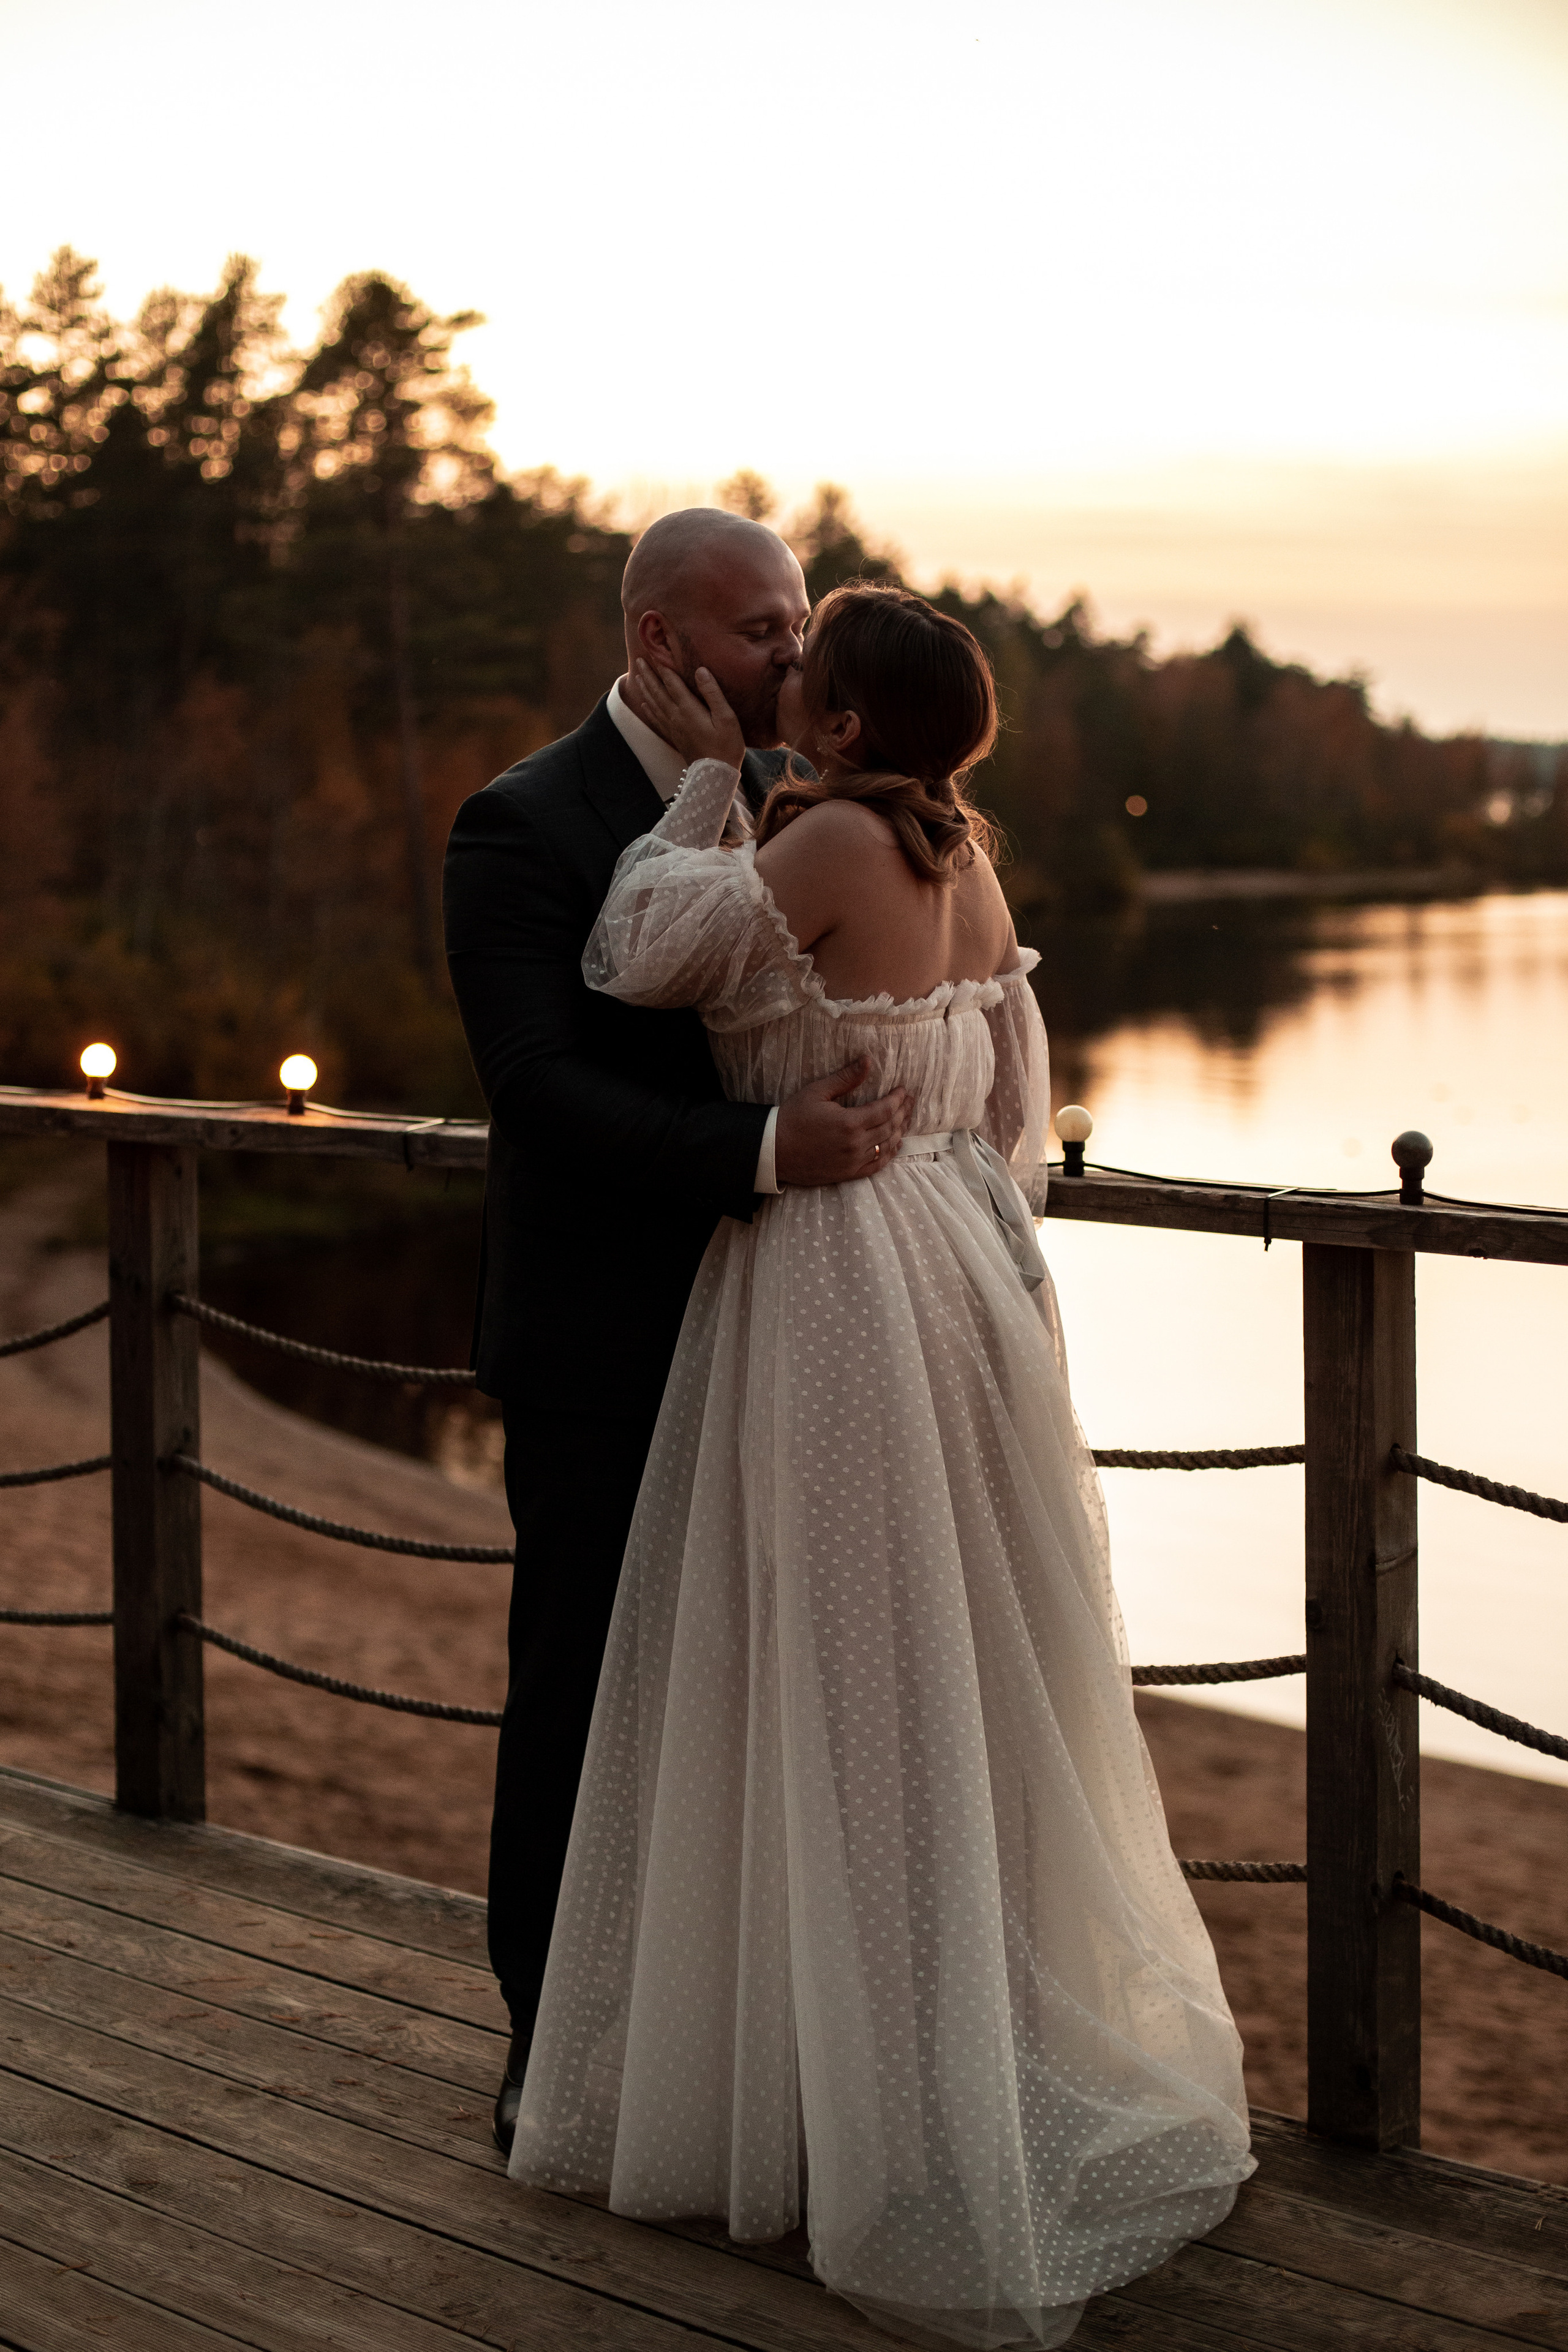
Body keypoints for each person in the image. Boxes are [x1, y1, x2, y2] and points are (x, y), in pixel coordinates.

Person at [507, 584, 1254, 2349]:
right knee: (942, 1678)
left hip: (834, 1273)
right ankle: (887, 2073)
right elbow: (1009, 1109)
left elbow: (635, 955)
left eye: (800, 682)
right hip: (951, 1258)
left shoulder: (831, 837)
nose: (774, 701)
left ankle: (856, 2110)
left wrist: (699, 791)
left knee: (825, 1669)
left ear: (841, 729)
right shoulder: (966, 863)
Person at [442, 510, 912, 2155]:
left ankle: (725, 2075)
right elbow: (540, 1092)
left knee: (748, 1711)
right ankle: (543, 2064)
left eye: (797, 627)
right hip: (603, 1342)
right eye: (764, 633)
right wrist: (772, 1155)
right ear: (662, 645)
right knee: (575, 1706)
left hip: (781, 1341)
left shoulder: (811, 807)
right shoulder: (521, 823)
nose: (798, 658)